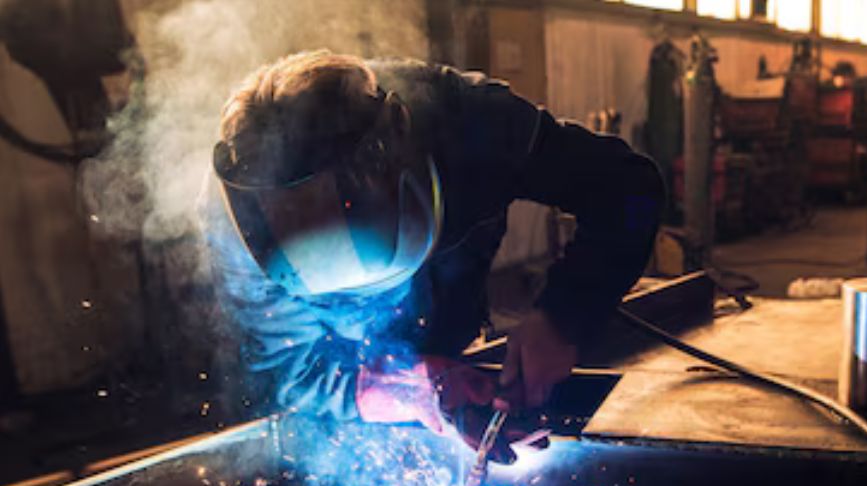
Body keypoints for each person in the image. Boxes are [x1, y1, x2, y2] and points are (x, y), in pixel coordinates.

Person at [201, 50, 662, 462]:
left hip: (451, 313)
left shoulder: (471, 123)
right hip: (358, 391)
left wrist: (564, 316)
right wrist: (417, 390)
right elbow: (286, 373)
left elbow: (628, 190)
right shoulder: (241, 228)